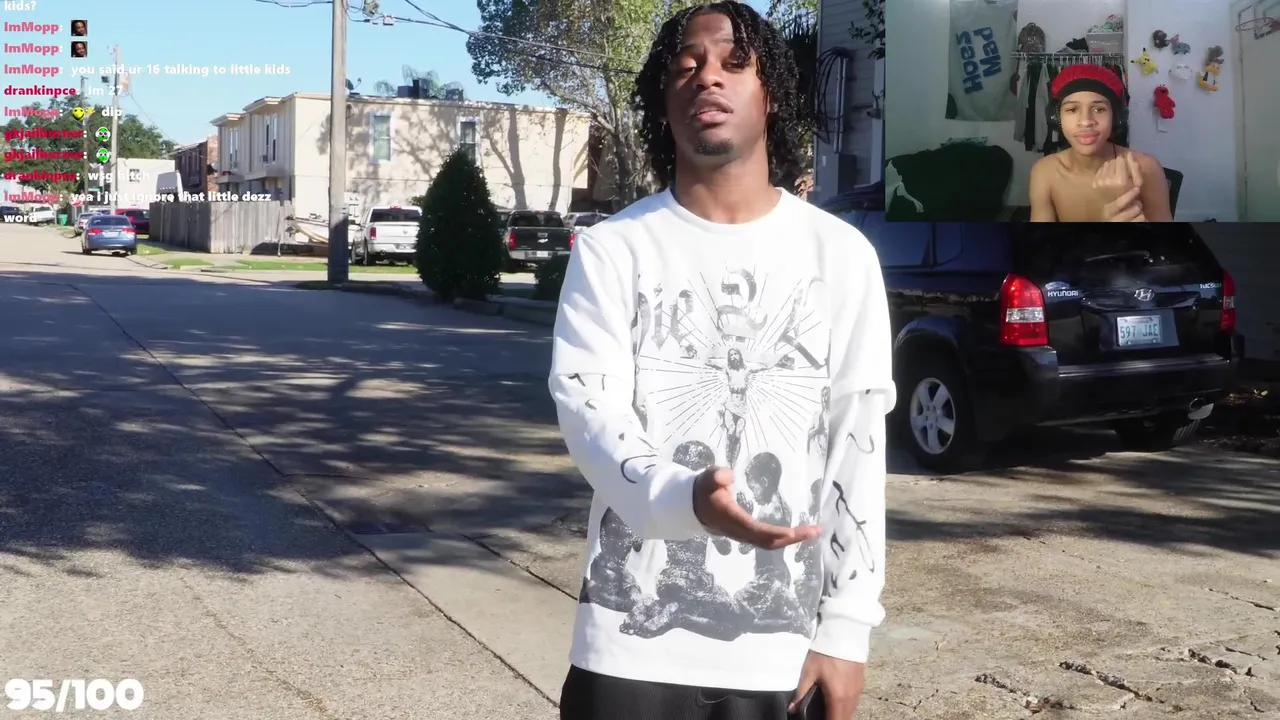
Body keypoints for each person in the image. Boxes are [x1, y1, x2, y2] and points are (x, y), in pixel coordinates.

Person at [548, 2, 895, 719]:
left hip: (785, 656)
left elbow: (856, 448)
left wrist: (847, 629)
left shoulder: (841, 255)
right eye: (687, 64)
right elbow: (591, 416)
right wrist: (686, 498)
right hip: (629, 647)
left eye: (735, 63)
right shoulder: (613, 250)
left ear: (773, 96)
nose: (708, 76)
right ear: (662, 99)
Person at [1029, 63, 1172, 222]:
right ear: (1056, 118)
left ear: (1116, 117)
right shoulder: (1044, 171)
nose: (1086, 122)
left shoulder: (1147, 168)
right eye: (1072, 109)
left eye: (1099, 109)